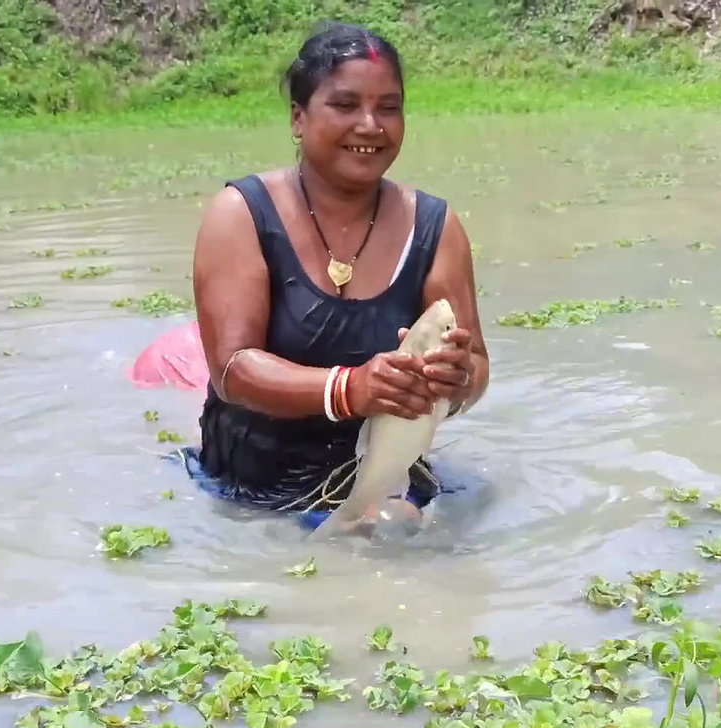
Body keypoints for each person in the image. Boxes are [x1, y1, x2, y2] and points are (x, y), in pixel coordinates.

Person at [169, 21, 490, 529]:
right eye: (345, 105)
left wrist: (457, 378)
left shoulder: (435, 226)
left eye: (389, 107)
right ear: (298, 117)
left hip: (384, 477)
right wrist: (350, 389)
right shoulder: (242, 214)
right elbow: (232, 369)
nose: (370, 125)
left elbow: (475, 367)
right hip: (252, 486)